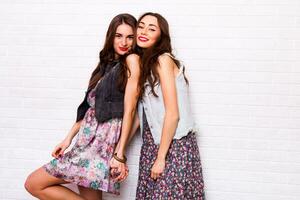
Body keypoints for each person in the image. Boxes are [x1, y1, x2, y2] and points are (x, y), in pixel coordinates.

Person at [24, 13, 140, 200]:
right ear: (111, 37)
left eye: (130, 37)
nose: (124, 42)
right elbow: (90, 109)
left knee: (33, 183)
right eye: (119, 36)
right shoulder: (106, 64)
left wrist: (120, 153)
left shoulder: (132, 60)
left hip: (101, 143)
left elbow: (132, 110)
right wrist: (68, 138)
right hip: (86, 138)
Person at [111, 12, 205, 199]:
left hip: (174, 147)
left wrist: (161, 158)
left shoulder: (163, 60)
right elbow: (139, 117)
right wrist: (118, 153)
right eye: (142, 26)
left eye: (152, 28)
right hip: (151, 146)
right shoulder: (145, 67)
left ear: (160, 36)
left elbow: (173, 114)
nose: (144, 31)